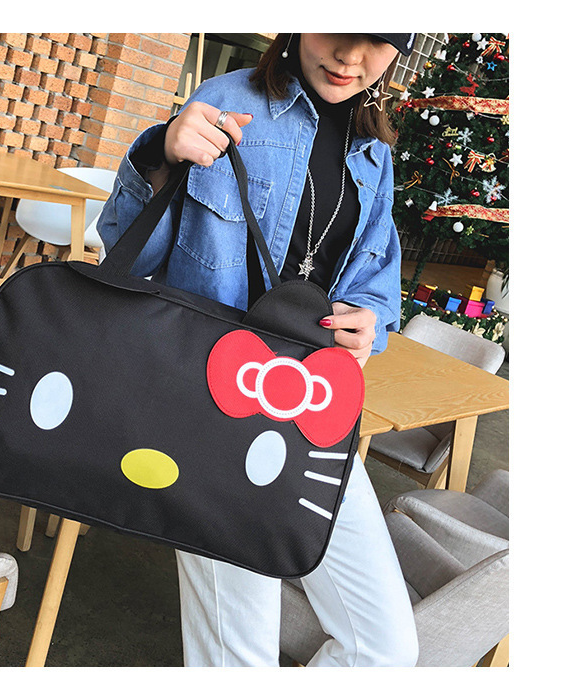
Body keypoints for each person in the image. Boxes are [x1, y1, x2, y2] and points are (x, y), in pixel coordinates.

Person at [97, 33, 419, 667]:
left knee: (385, 650)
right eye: (338, 27)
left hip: (312, 406)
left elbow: (374, 282)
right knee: (239, 659)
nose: (350, 57)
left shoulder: (375, 152)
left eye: (376, 41)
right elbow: (130, 258)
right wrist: (161, 153)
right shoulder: (225, 101)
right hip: (210, 403)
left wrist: (370, 322)